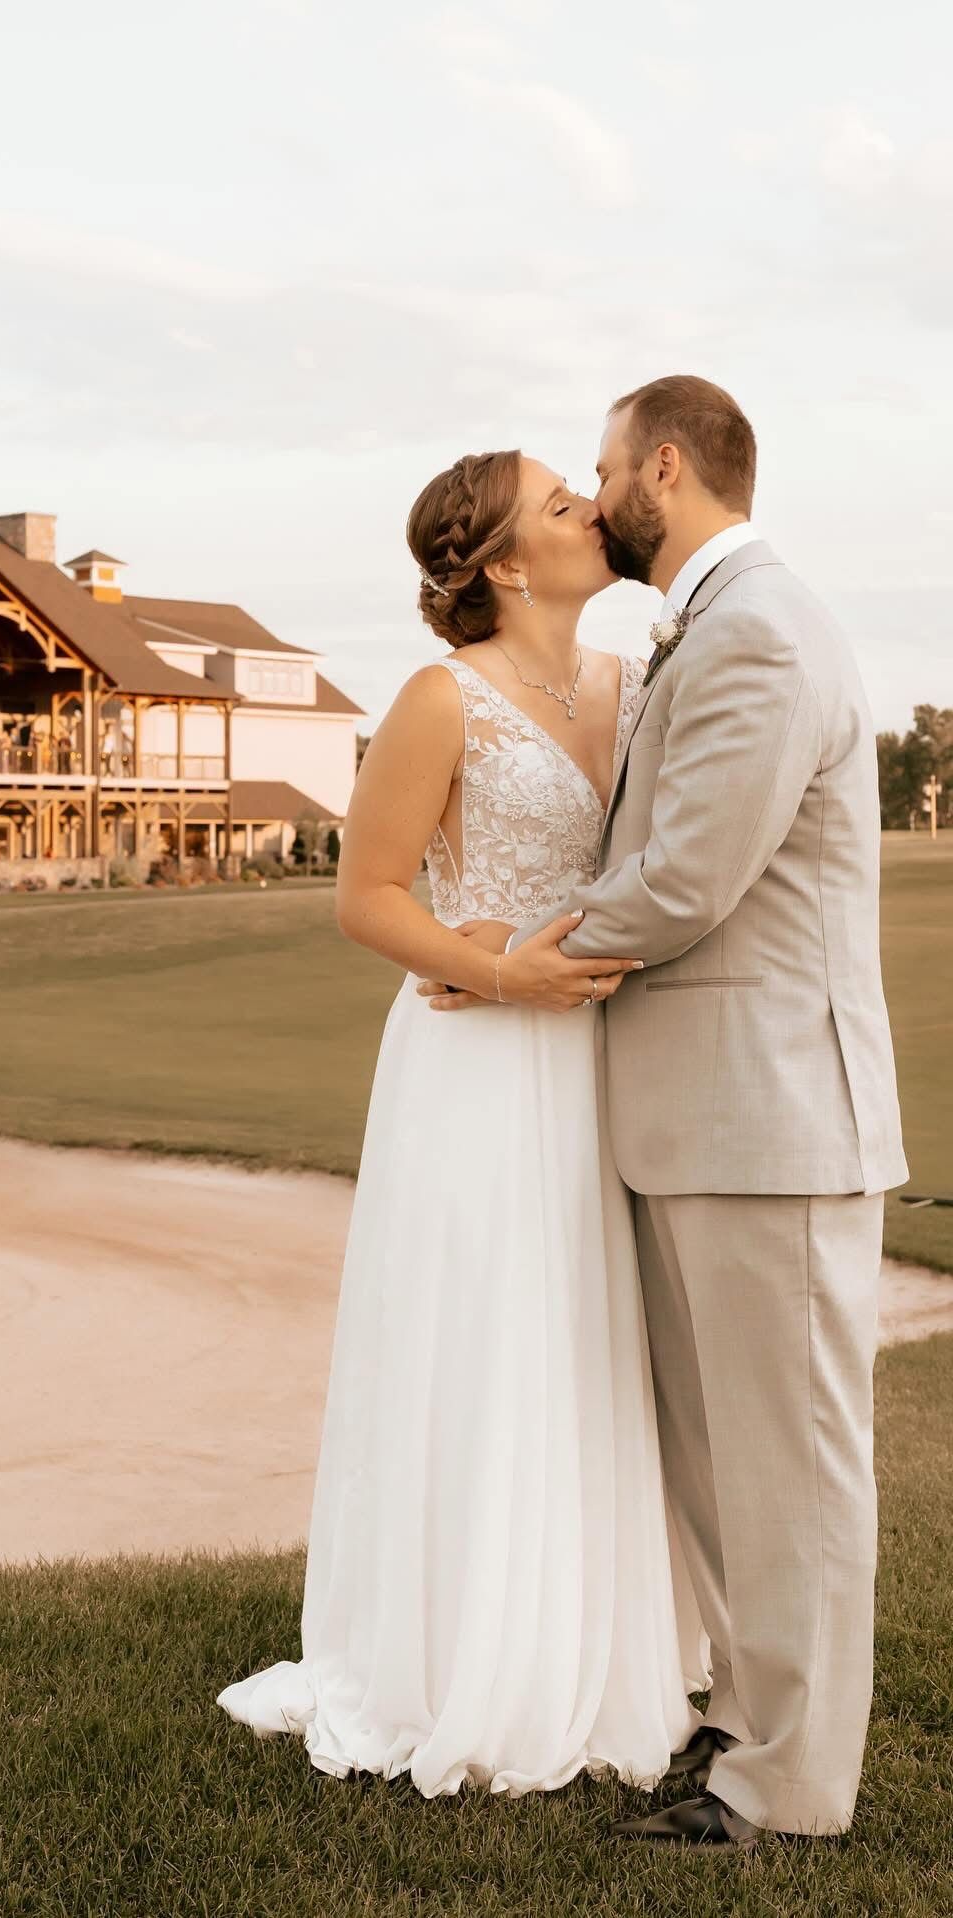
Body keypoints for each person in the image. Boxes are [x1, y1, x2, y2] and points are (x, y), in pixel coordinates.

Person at [422, 376, 906, 1847]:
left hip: (771, 1117)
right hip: (705, 1121)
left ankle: (791, 1785)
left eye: (605, 468)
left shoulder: (759, 629)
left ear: (668, 468)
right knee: (726, 1466)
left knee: (795, 1467)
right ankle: (746, 1726)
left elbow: (690, 878)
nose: (594, 489)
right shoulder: (710, 625)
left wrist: (508, 960)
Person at [217, 448, 708, 1800]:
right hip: (480, 1061)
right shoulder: (441, 700)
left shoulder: (642, 681)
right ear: (501, 561)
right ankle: (460, 1651)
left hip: (613, 1054)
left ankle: (602, 1636)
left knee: (597, 1334)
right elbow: (367, 896)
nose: (592, 514)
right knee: (492, 1327)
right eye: (562, 505)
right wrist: (499, 970)